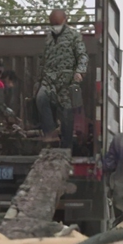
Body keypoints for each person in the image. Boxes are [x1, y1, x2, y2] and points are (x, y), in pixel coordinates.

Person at [35, 9, 88, 148]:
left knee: (66, 115)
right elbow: (43, 61)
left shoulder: (74, 36)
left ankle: (66, 145)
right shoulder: (48, 38)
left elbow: (82, 55)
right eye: (53, 24)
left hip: (67, 81)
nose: (55, 26)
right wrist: (38, 80)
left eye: (57, 23)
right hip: (49, 80)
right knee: (41, 98)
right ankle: (50, 132)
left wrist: (80, 71)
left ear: (65, 20)